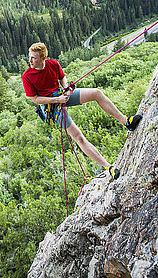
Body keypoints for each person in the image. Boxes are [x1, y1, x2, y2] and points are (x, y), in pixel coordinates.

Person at [22, 42, 142, 180]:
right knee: (78, 137)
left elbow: (62, 77)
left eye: (34, 58)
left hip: (62, 95)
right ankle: (109, 168)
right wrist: (58, 100)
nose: (30, 61)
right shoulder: (27, 76)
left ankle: (127, 122)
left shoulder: (53, 64)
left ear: (43, 58)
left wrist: (66, 89)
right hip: (51, 106)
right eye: (30, 57)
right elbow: (35, 99)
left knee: (97, 93)